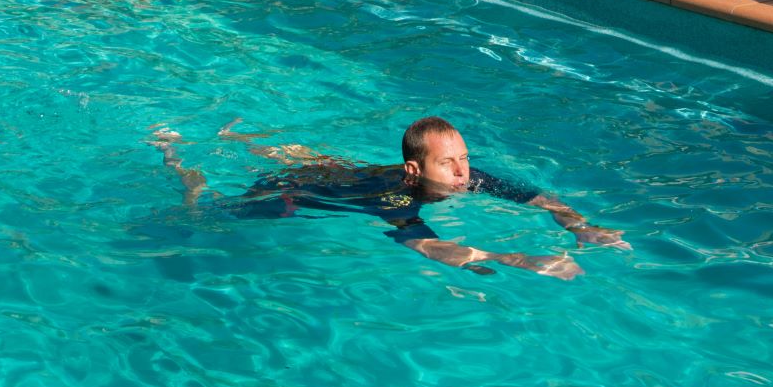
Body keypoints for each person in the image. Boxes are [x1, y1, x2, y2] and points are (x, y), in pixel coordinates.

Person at [152, 115, 621, 278]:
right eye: (448, 164)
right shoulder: (395, 198)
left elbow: (541, 198)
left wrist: (579, 225)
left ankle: (241, 138)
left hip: (341, 173)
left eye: (465, 159)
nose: (462, 174)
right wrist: (509, 256)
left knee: (325, 161)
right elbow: (423, 243)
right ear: (415, 171)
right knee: (208, 214)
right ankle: (178, 162)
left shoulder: (467, 174)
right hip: (296, 194)